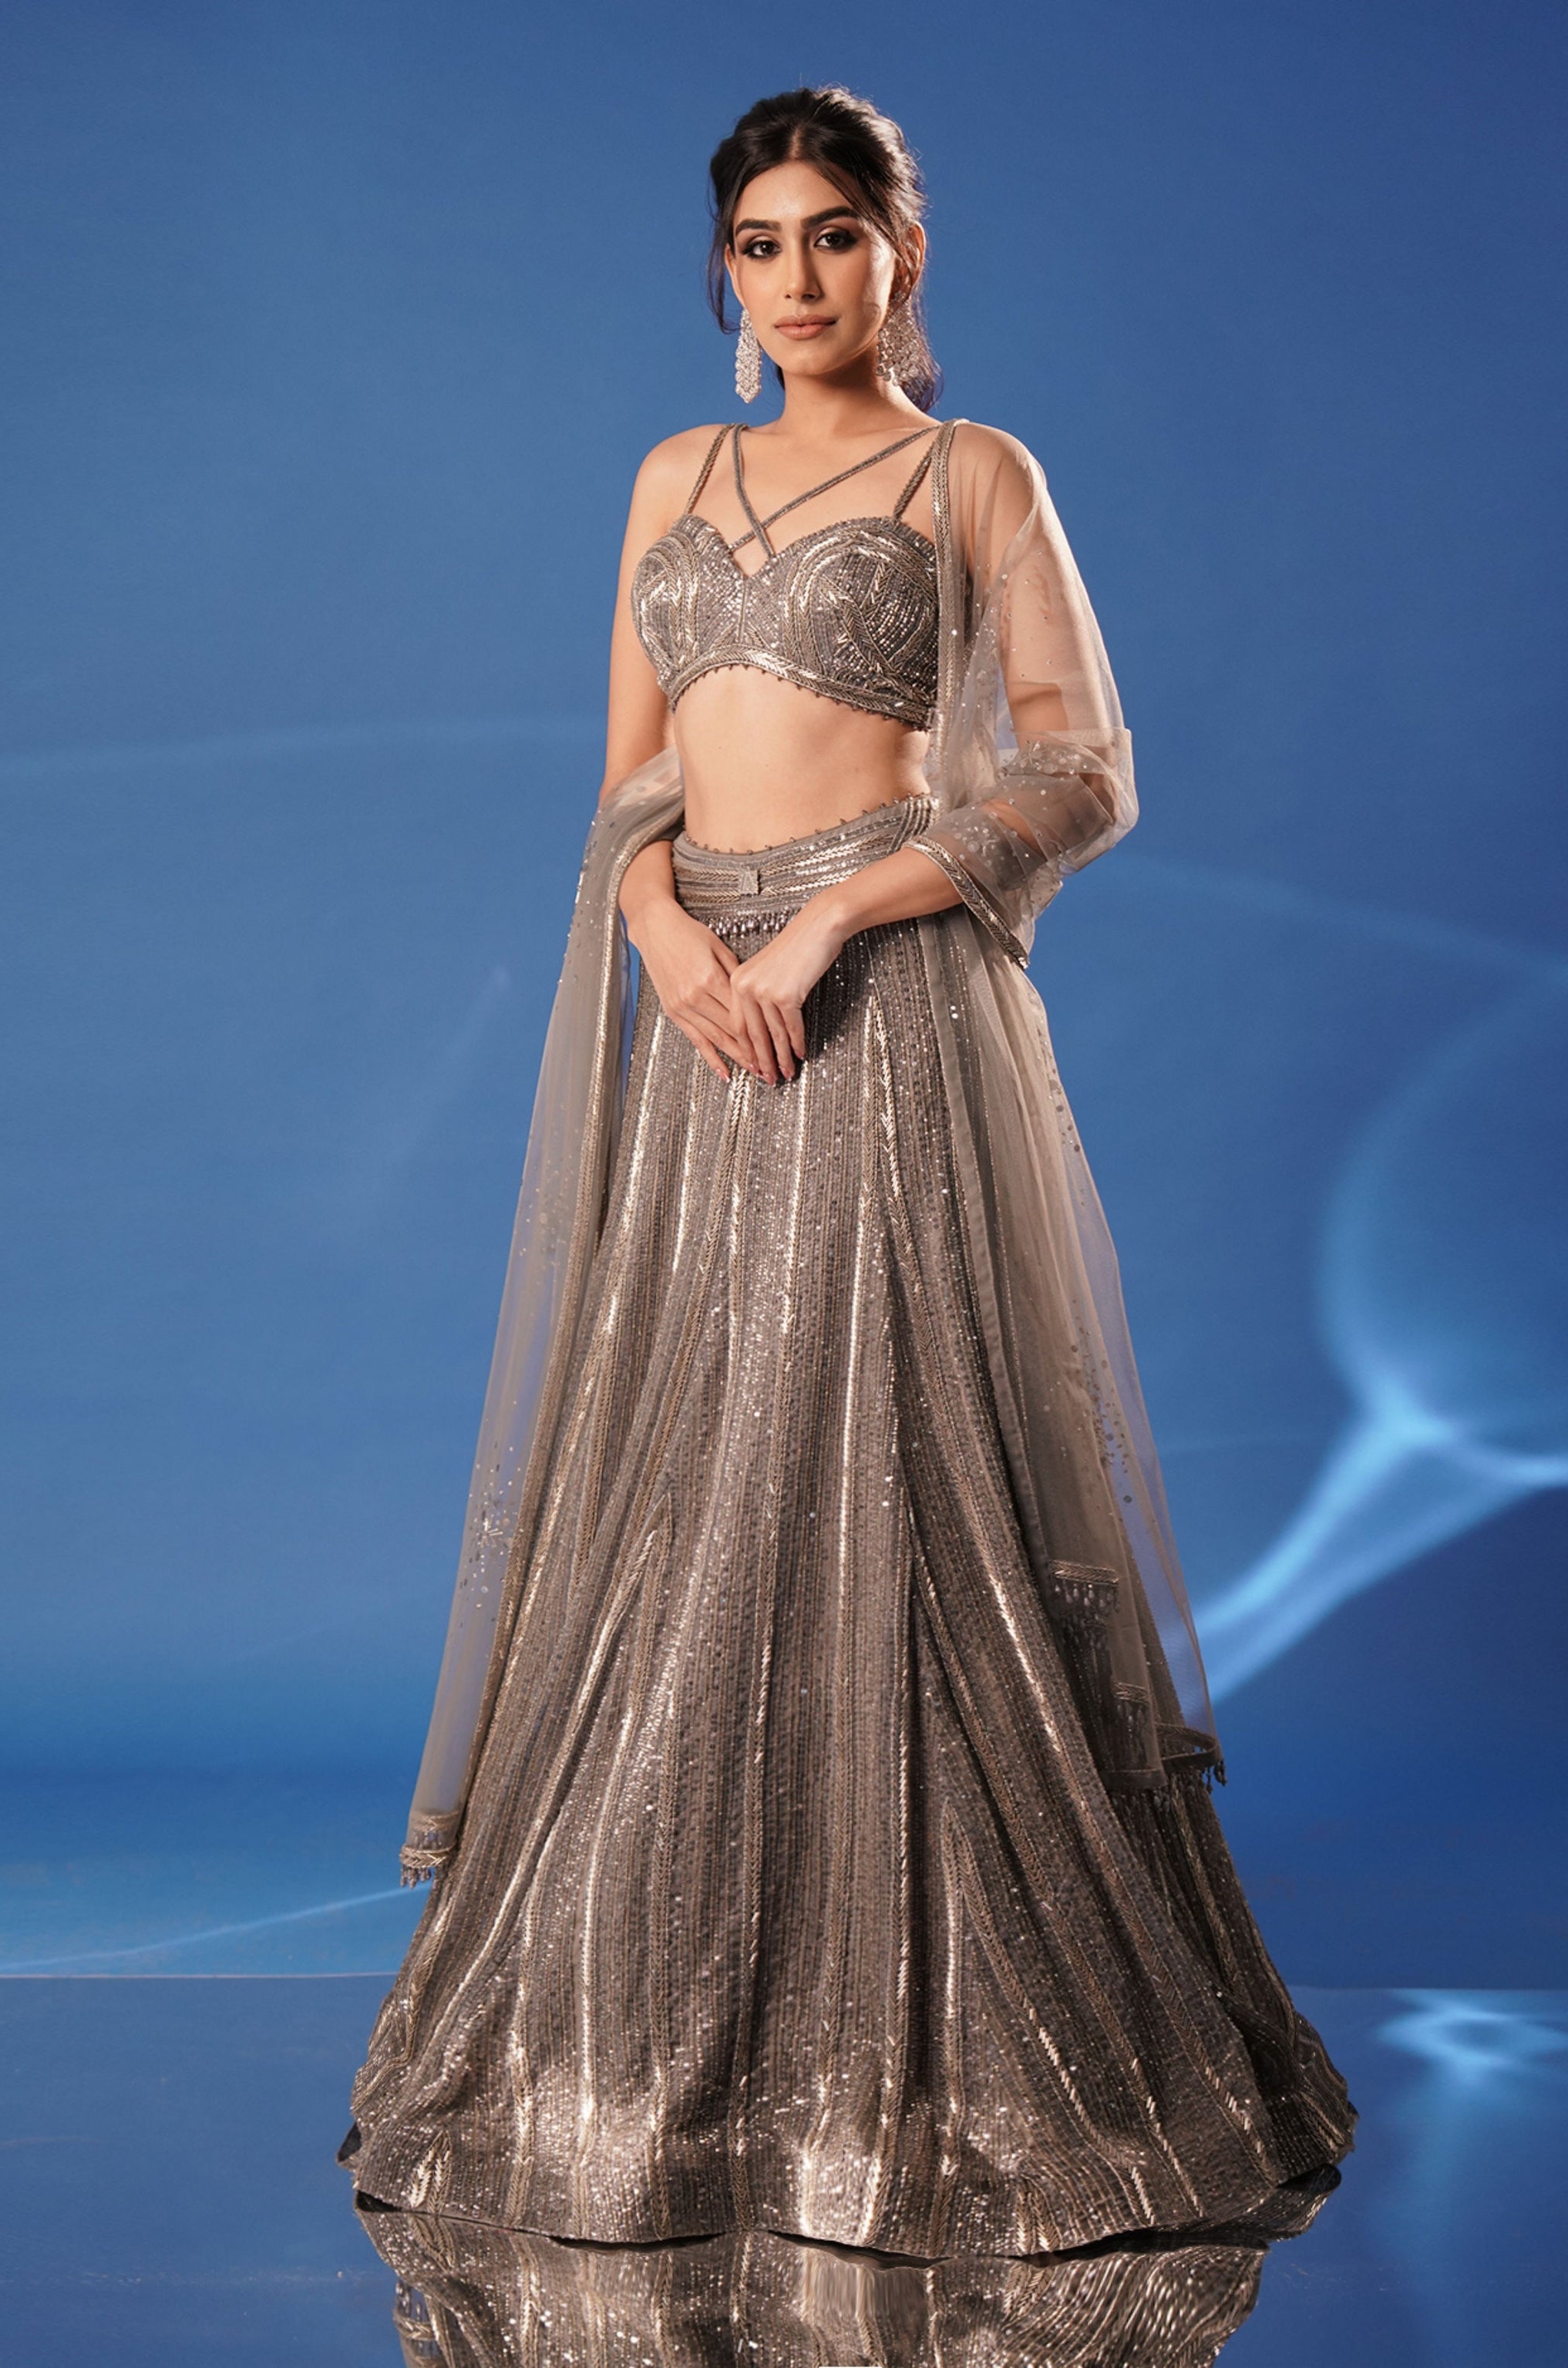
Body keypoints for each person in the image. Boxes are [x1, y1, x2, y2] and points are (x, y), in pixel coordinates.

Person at [342, 85, 1354, 2259]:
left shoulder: (977, 475)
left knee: (899, 1479)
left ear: (905, 253)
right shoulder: (668, 478)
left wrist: (827, 925)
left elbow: (1085, 771)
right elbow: (628, 779)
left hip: (878, 1015)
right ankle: (657, 2056)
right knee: (685, 1486)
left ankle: (920, 2063)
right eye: (762, 241)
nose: (799, 277)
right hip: (700, 1016)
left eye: (837, 235)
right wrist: (663, 931)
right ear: (723, 270)